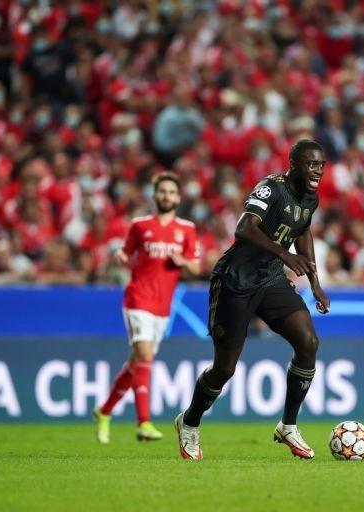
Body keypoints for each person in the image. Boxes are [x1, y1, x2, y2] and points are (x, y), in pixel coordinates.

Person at [174, 139, 331, 460]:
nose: (318, 170)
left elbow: (303, 230)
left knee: (308, 342)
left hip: (271, 280)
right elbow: (244, 228)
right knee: (224, 369)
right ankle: (189, 422)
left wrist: (315, 282)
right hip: (235, 281)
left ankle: (288, 425)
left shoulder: (310, 197)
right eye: (311, 164)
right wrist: (284, 255)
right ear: (294, 165)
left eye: (321, 164)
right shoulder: (270, 189)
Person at [94, 172, 200, 443]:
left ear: (178, 197)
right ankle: (144, 423)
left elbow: (196, 266)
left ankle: (104, 410)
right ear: (155, 195)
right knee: (145, 355)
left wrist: (183, 262)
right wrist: (119, 255)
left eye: (171, 192)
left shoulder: (187, 229)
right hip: (138, 298)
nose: (166, 196)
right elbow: (125, 252)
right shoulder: (140, 226)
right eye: (162, 191)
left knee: (136, 363)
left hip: (163, 306)